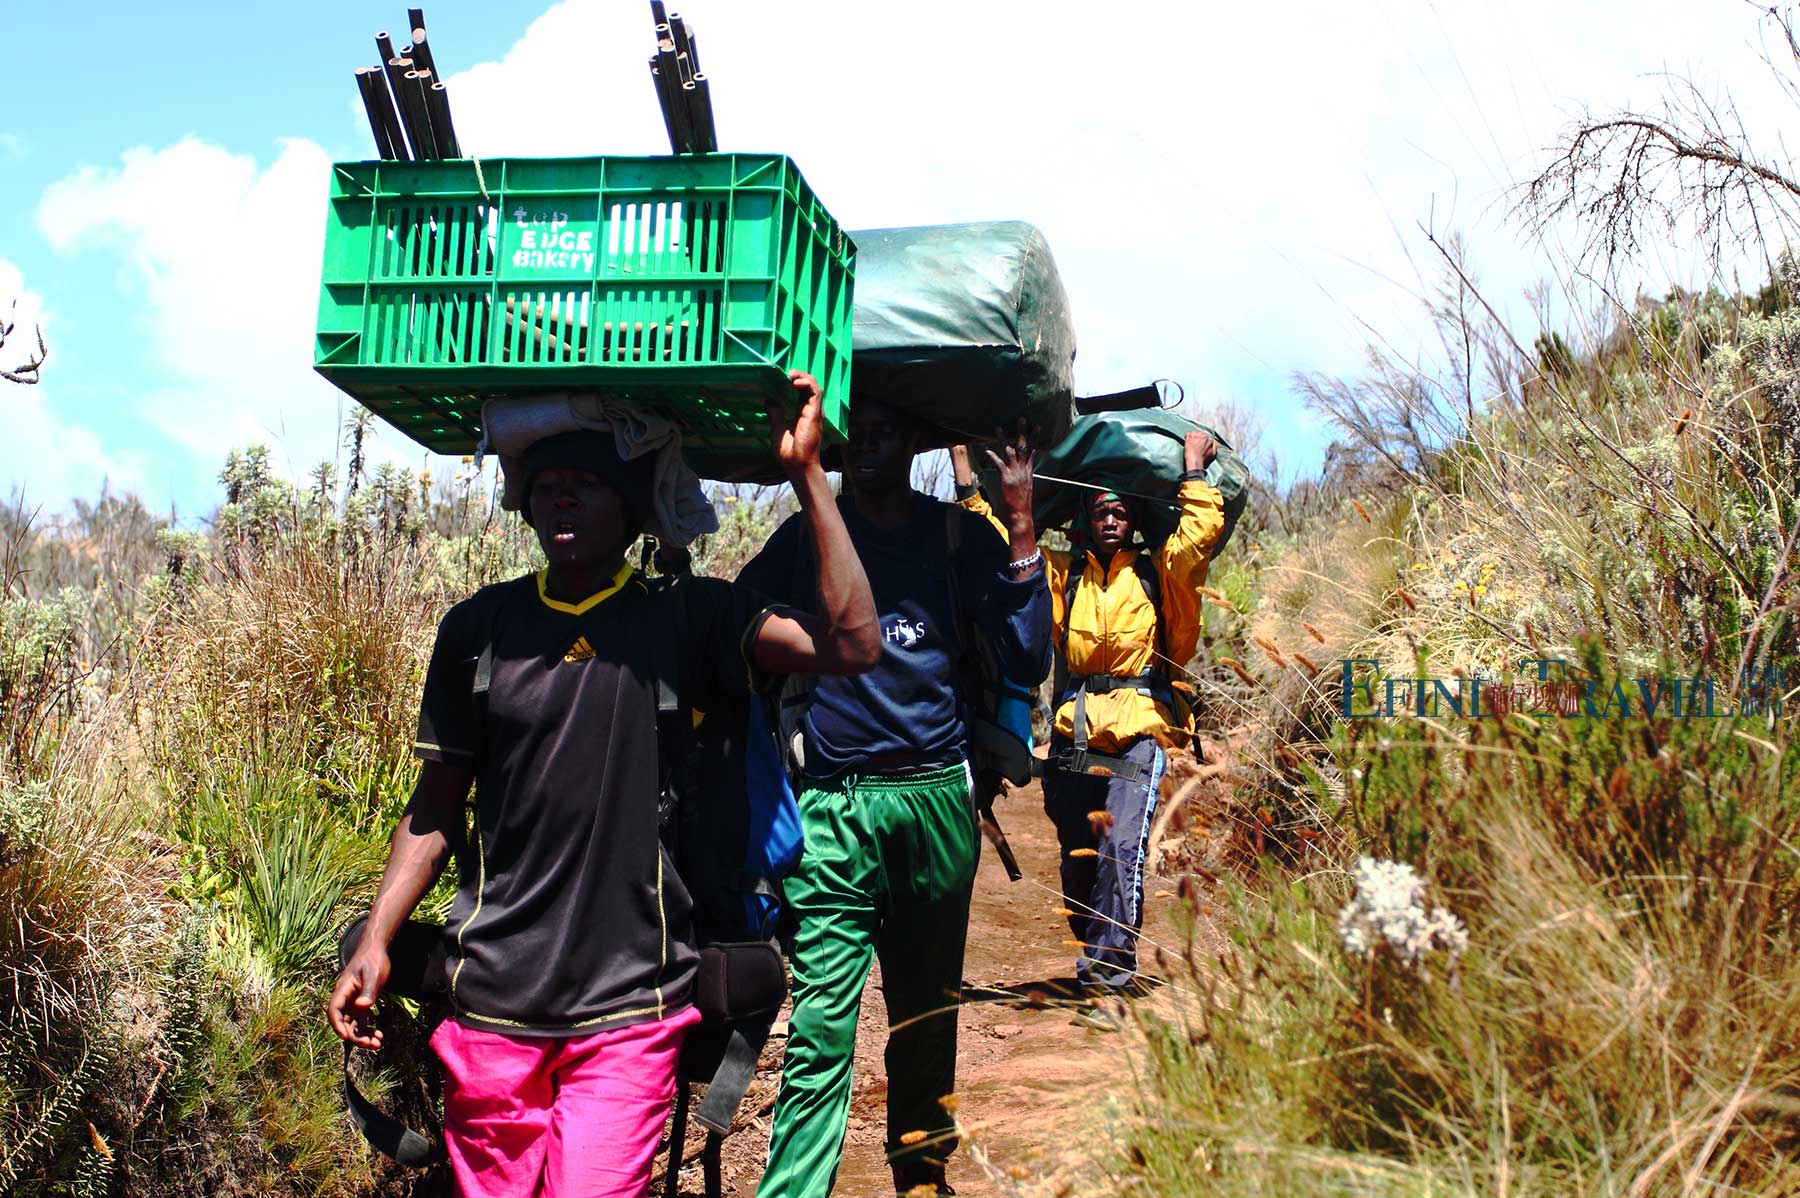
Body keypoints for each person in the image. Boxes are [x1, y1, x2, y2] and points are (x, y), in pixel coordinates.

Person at [326, 373, 879, 1198]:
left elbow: (852, 644)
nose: (563, 502)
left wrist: (807, 475)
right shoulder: (478, 633)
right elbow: (435, 810)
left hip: (632, 1008)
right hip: (491, 1007)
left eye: (586, 485)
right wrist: (376, 937)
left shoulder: (690, 618)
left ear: (630, 505)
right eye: (547, 486)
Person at [740, 402, 1051, 1198]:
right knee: (819, 1029)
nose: (866, 443)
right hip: (834, 808)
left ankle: (920, 1175)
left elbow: (1025, 656)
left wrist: (1020, 527)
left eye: (886, 428)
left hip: (938, 802)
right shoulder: (803, 535)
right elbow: (733, 628)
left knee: (926, 1013)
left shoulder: (960, 538)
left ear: (918, 442)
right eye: (855, 428)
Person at [953, 431, 1224, 1016]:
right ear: (1082, 522)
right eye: (1100, 511)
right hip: (1074, 745)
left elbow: (1198, 540)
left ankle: (1108, 977)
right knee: (1081, 863)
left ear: (1134, 524)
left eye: (1121, 512)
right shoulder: (1063, 578)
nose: (1111, 520)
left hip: (1139, 737)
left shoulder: (1159, 576)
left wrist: (1195, 473)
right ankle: (1096, 952)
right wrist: (969, 487)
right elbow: (1005, 547)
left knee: (1119, 852)